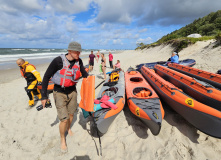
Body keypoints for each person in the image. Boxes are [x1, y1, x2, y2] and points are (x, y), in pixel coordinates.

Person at [41, 41, 88, 152]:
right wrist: (44, 96)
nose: (79, 54)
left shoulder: (79, 61)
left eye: (79, 52)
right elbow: (46, 77)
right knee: (64, 119)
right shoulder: (57, 61)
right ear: (69, 51)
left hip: (72, 91)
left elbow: (83, 73)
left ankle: (68, 129)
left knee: (71, 114)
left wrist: (89, 78)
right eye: (77, 52)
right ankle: (63, 139)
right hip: (59, 92)